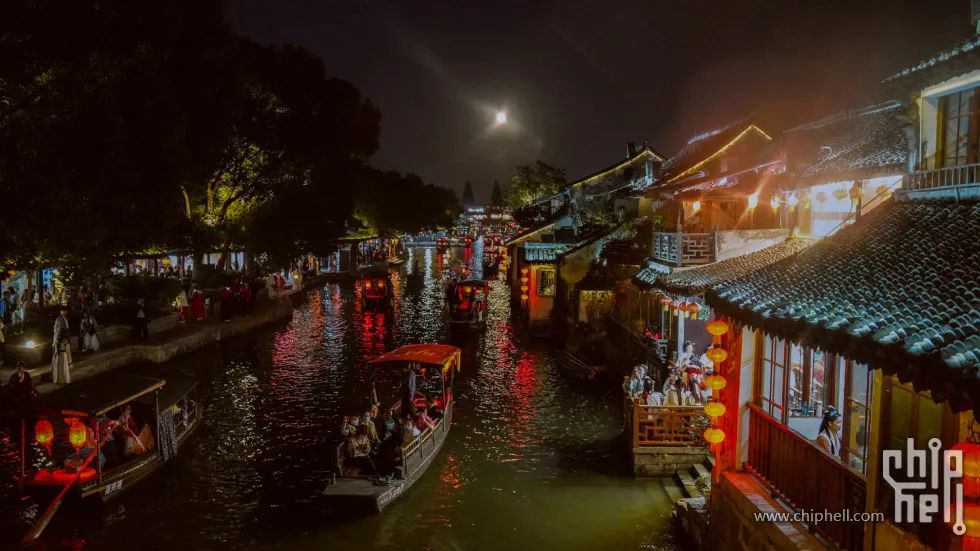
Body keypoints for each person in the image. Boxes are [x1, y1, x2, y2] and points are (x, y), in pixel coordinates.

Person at [52, 306, 72, 384]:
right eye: (64, 311)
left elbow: (65, 330)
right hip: (60, 341)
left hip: (64, 340)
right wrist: (59, 340)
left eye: (65, 311)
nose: (65, 312)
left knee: (64, 358)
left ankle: (64, 375)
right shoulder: (59, 319)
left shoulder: (65, 319)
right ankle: (60, 377)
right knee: (60, 359)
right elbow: (58, 331)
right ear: (61, 311)